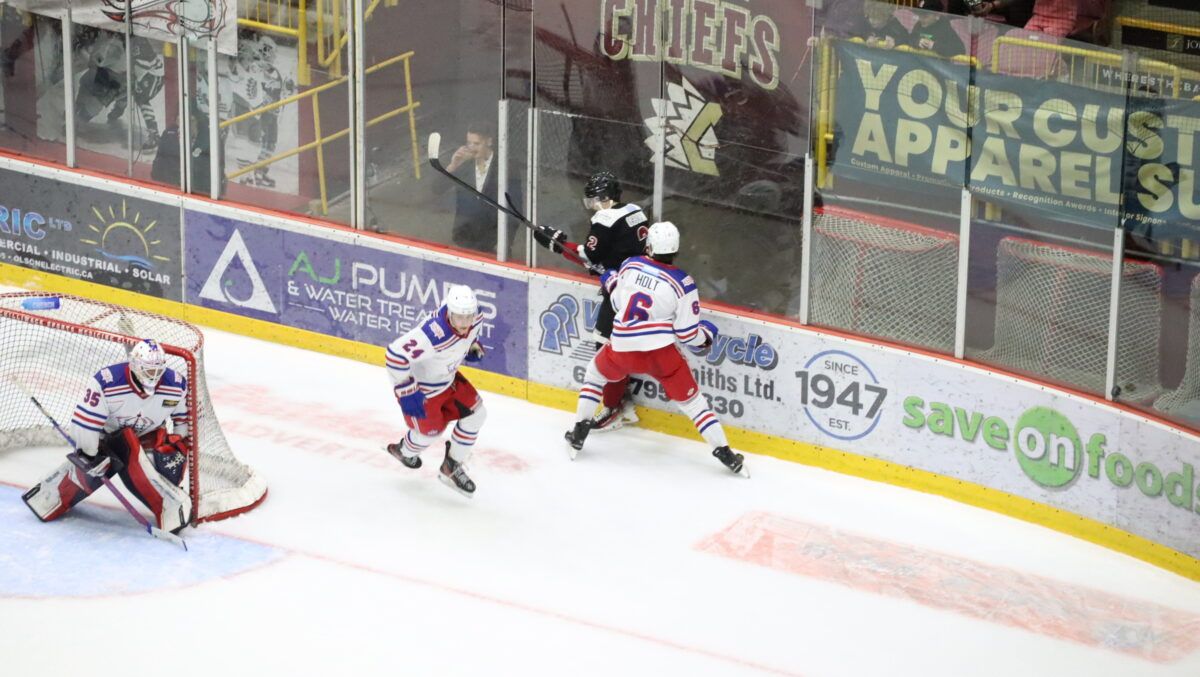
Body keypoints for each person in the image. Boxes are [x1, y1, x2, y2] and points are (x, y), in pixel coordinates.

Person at [563, 221, 747, 477]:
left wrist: (612, 281)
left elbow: (618, 302)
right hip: (661, 355)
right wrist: (706, 335)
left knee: (594, 375)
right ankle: (725, 452)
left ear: (648, 245)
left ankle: (580, 429)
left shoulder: (631, 264)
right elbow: (688, 335)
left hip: (622, 348)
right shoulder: (684, 282)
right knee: (695, 405)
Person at [22, 339, 193, 533]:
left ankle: (168, 503)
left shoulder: (176, 384)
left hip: (147, 436)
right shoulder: (107, 381)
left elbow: (183, 421)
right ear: (135, 365)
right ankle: (50, 496)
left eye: (157, 370)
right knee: (93, 465)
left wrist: (175, 444)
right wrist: (90, 454)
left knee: (164, 461)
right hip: (106, 439)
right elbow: (85, 423)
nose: (154, 376)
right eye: (148, 370)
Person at [536, 171, 647, 432]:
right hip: (642, 287)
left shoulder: (605, 218)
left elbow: (589, 255)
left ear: (605, 199)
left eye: (593, 201)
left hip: (620, 291)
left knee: (606, 348)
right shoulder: (636, 211)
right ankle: (622, 401)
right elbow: (614, 252)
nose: (592, 207)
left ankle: (614, 407)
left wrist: (558, 243)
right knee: (619, 346)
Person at [384, 284, 488, 497]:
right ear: (449, 312)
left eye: (468, 316)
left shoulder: (475, 319)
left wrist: (472, 347)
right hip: (424, 392)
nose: (465, 323)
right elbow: (395, 355)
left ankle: (451, 466)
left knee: (477, 415)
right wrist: (407, 391)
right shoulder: (432, 333)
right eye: (460, 317)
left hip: (449, 382)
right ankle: (403, 451)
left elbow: (470, 337)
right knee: (429, 435)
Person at [437, 124, 521, 256]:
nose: (472, 148)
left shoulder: (506, 167)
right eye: (469, 143)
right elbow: (437, 188)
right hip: (464, 238)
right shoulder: (464, 165)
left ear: (489, 141)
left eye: (476, 143)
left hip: (492, 242)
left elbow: (515, 208)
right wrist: (453, 165)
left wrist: (505, 242)